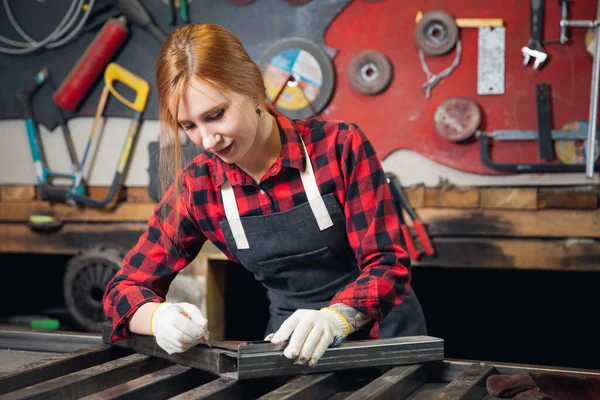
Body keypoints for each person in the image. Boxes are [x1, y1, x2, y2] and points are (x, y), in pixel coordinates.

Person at [102, 23, 427, 367]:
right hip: (292, 351)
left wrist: (335, 319)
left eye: (216, 115)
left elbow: (388, 264)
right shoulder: (199, 186)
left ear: (254, 88)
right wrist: (157, 317)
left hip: (386, 342)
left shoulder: (339, 147)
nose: (208, 140)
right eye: (190, 126)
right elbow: (121, 291)